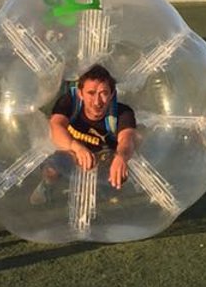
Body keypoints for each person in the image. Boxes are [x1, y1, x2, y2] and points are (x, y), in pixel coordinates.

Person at [38, 64, 137, 197]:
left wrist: (121, 157)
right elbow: (56, 126)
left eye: (104, 93)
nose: (97, 102)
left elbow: (126, 140)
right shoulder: (69, 102)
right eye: (91, 93)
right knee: (51, 170)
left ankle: (107, 197)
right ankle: (46, 187)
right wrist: (76, 147)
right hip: (71, 151)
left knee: (117, 182)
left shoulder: (122, 112)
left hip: (104, 160)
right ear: (80, 93)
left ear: (112, 94)